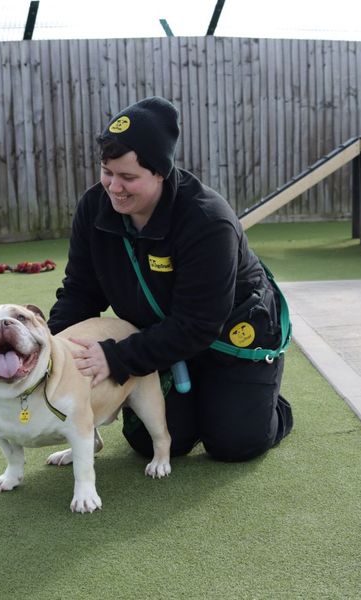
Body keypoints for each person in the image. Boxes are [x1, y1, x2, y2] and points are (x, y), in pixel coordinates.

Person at [47, 96, 292, 462]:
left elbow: (198, 324)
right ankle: (203, 399)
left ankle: (267, 401)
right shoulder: (93, 207)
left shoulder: (208, 221)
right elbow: (81, 291)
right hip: (161, 338)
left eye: (129, 177)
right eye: (107, 172)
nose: (114, 187)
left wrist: (117, 357)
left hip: (232, 337)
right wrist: (52, 352)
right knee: (154, 444)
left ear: (160, 171)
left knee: (235, 442)